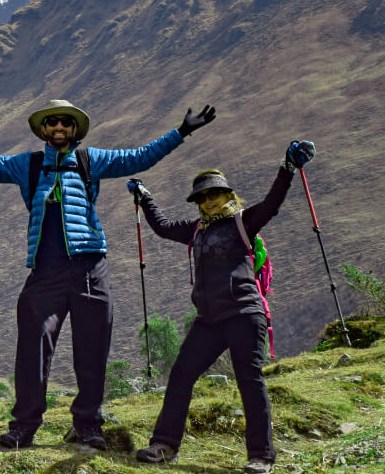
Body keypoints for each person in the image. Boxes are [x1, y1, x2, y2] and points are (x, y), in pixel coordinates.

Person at [0, 99, 215, 450]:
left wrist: (181, 132)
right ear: (43, 130)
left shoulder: (93, 160)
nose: (59, 127)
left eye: (65, 122)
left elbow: (140, 157)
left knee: (92, 350)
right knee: (32, 348)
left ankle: (89, 426)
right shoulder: (26, 165)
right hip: (44, 271)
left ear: (74, 129)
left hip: (90, 268)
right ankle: (24, 427)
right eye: (52, 123)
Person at [129, 141, 314, 474]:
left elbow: (272, 204)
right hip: (209, 321)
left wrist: (287, 168)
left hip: (245, 314)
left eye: (214, 194)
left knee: (250, 380)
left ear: (228, 195)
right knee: (181, 375)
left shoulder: (244, 222)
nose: (209, 200)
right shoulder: (195, 231)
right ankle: (164, 445)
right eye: (202, 197)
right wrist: (145, 197)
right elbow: (161, 226)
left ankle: (261, 456)